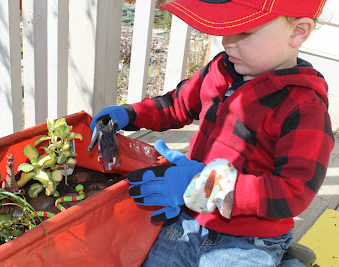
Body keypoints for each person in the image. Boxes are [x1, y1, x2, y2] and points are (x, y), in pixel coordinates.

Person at [89, 0, 334, 266]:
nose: (226, 41)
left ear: (298, 32)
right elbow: (177, 105)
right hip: (187, 214)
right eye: (224, 27)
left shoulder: (304, 109)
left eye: (243, 31)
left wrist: (206, 185)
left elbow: (294, 192)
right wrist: (129, 114)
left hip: (249, 239)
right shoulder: (220, 69)